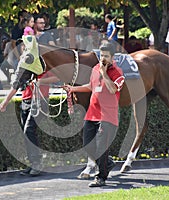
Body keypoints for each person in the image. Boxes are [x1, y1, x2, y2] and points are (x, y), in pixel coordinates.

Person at [0, 16, 58, 176]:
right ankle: (34, 163)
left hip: (40, 100)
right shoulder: (27, 60)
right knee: (27, 132)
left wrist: (40, 81)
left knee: (29, 130)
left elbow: (57, 77)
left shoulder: (42, 61)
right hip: (27, 98)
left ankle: (37, 164)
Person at [64, 42, 125, 187]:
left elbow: (112, 90)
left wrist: (104, 74)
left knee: (101, 147)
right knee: (87, 145)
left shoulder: (117, 72)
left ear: (112, 57)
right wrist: (73, 89)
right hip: (92, 113)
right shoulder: (95, 68)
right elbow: (92, 86)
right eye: (101, 55)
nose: (103, 58)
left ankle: (101, 177)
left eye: (106, 56)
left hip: (107, 115)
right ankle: (107, 163)